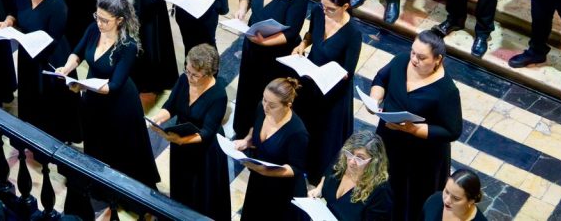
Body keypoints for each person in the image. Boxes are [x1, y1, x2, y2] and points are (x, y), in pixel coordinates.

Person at [55, 0, 160, 187]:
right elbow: (77, 53)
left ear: (119, 20)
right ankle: (98, 182)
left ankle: (125, 189)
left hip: (119, 105)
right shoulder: (93, 30)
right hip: (93, 98)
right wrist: (67, 68)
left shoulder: (127, 45)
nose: (99, 23)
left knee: (120, 148)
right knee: (95, 141)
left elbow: (114, 86)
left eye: (105, 20)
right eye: (97, 17)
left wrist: (82, 86)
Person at [369, 29, 462, 221]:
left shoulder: (446, 91)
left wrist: (413, 129)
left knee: (409, 200)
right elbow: (381, 78)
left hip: (419, 157)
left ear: (438, 59)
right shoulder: (401, 61)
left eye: (421, 57)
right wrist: (375, 98)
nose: (413, 59)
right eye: (412, 52)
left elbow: (452, 130)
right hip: (389, 140)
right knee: (382, 186)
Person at [0, 0, 81, 143]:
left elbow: (52, 38)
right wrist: (8, 22)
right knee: (30, 92)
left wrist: (28, 41)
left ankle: (53, 135)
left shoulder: (57, 5)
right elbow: (13, 12)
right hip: (28, 52)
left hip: (50, 55)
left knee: (50, 97)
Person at [146, 44, 230, 220]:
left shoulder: (218, 95)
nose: (189, 77)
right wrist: (159, 118)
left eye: (195, 75)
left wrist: (181, 141)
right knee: (180, 186)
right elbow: (171, 105)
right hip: (180, 140)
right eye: (188, 71)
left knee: (199, 194)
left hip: (203, 151)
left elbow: (207, 131)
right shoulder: (184, 79)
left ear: (209, 74)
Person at [232, 0, 308, 139]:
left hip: (275, 58)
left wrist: (264, 42)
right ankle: (243, 128)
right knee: (248, 89)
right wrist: (242, 10)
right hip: (252, 48)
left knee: (266, 96)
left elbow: (291, 33)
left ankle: (260, 134)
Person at [293, 0, 362, 181]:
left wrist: (327, 75)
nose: (325, 12)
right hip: (310, 82)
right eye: (323, 6)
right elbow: (311, 34)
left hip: (333, 91)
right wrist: (303, 44)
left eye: (331, 9)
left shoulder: (353, 33)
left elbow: (347, 71)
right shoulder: (318, 12)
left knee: (323, 137)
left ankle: (317, 176)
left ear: (345, 7)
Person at [232, 78, 308, 221]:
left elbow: (295, 168)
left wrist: (265, 170)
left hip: (281, 192)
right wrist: (246, 141)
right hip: (259, 180)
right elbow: (255, 128)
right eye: (264, 99)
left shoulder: (297, 133)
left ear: (288, 105)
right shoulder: (262, 109)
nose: (265, 106)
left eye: (272, 105)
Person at [308, 132, 393, 221]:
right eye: (350, 153)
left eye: (360, 158)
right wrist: (319, 190)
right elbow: (326, 176)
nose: (352, 161)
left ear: (374, 162)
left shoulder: (381, 192)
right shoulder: (342, 161)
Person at [420, 169, 486, 221]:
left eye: (456, 198)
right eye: (446, 191)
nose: (446, 201)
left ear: (471, 201)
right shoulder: (434, 200)